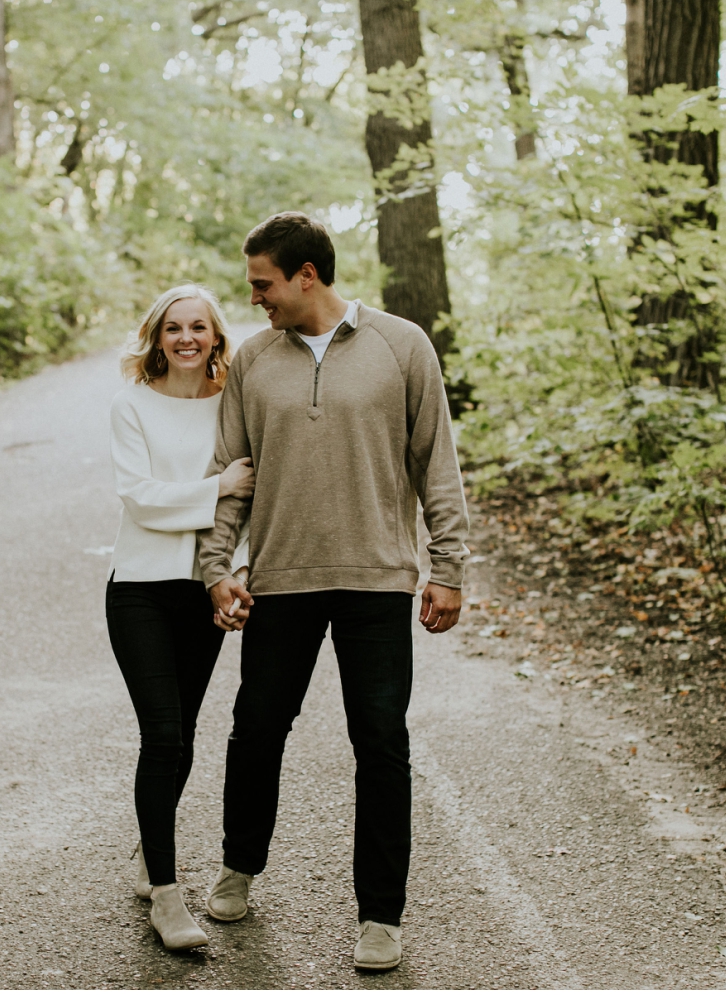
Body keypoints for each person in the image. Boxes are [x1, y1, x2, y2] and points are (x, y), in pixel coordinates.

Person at [197, 212, 469, 971]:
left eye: (263, 283)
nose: (254, 298)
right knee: (255, 729)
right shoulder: (253, 361)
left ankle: (381, 913)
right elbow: (230, 475)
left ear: (306, 275)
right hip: (281, 577)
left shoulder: (401, 344)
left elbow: (435, 464)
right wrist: (217, 568)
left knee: (381, 741)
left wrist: (447, 566)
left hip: (377, 579)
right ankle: (238, 866)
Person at [106, 284, 251, 951]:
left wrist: (235, 572)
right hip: (139, 587)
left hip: (203, 590)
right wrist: (216, 487)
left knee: (185, 731)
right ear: (157, 336)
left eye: (199, 327)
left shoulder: (233, 406)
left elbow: (253, 504)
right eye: (174, 328)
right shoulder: (132, 403)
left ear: (216, 337)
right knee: (161, 734)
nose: (187, 338)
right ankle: (166, 896)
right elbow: (141, 499)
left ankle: (150, 843)